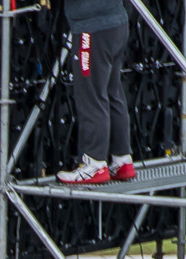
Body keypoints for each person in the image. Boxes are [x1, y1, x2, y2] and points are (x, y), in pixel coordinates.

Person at [56, 0, 135, 187]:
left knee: (91, 96)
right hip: (116, 22)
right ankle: (122, 160)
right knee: (112, 90)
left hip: (92, 28)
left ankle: (94, 163)